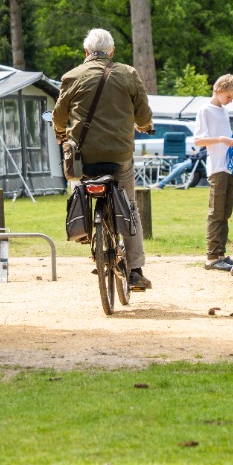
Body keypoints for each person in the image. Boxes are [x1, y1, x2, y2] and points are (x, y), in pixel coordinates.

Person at [52, 28, 155, 290]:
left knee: (79, 185)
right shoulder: (128, 74)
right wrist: (144, 125)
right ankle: (135, 270)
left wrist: (61, 135)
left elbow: (59, 115)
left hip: (83, 158)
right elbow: (143, 114)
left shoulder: (72, 76)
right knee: (130, 206)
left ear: (86, 52)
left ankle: (87, 233)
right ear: (112, 51)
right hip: (119, 156)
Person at [193, 74, 233, 272]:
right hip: (217, 167)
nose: (230, 101)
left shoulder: (223, 111)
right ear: (219, 90)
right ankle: (212, 256)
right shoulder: (205, 110)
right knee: (216, 212)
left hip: (229, 165)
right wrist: (222, 139)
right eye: (229, 97)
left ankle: (221, 253)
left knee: (225, 211)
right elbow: (199, 141)